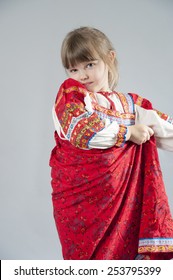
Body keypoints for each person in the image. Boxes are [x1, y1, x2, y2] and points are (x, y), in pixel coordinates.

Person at [49, 26, 173, 260]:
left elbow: (165, 130)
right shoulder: (72, 96)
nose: (82, 75)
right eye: (73, 69)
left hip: (126, 203)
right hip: (80, 204)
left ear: (109, 58)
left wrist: (135, 128)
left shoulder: (131, 104)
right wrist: (129, 132)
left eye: (89, 65)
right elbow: (83, 132)